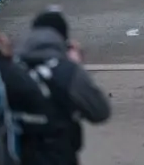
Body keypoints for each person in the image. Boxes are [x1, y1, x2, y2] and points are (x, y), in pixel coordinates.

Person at [16, 9, 111, 165]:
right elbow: (100, 111)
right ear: (64, 40)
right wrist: (75, 66)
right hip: (58, 154)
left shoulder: (9, 66)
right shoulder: (67, 71)